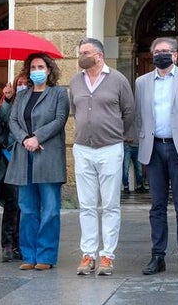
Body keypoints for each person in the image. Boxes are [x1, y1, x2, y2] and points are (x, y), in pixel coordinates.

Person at [134, 37, 178, 277]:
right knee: (157, 206)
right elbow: (138, 116)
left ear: (175, 55)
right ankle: (158, 256)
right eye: (157, 51)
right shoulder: (142, 82)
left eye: (165, 51)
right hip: (154, 148)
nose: (160, 55)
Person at [68, 37, 135, 276]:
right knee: (86, 205)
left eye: (85, 52)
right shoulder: (76, 81)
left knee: (109, 205)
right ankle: (88, 255)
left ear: (99, 55)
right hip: (83, 148)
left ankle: (107, 256)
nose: (81, 56)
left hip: (110, 148)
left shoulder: (118, 80)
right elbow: (74, 111)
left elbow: (129, 112)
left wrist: (115, 133)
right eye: (80, 52)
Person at [6, 52, 69, 271]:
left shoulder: (59, 93)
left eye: (40, 67)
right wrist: (25, 139)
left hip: (48, 156)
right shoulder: (22, 95)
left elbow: (60, 120)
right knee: (28, 209)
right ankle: (29, 254)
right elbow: (13, 120)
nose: (36, 71)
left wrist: (37, 137)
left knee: (50, 209)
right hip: (24, 157)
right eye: (32, 68)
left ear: (49, 70)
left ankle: (46, 255)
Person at [0, 72, 26, 263]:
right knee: (12, 203)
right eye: (19, 83)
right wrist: (7, 99)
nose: (22, 86)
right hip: (9, 160)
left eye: (25, 83)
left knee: (26, 206)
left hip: (28, 159)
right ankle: (8, 244)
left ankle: (21, 243)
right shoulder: (9, 103)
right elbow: (3, 122)